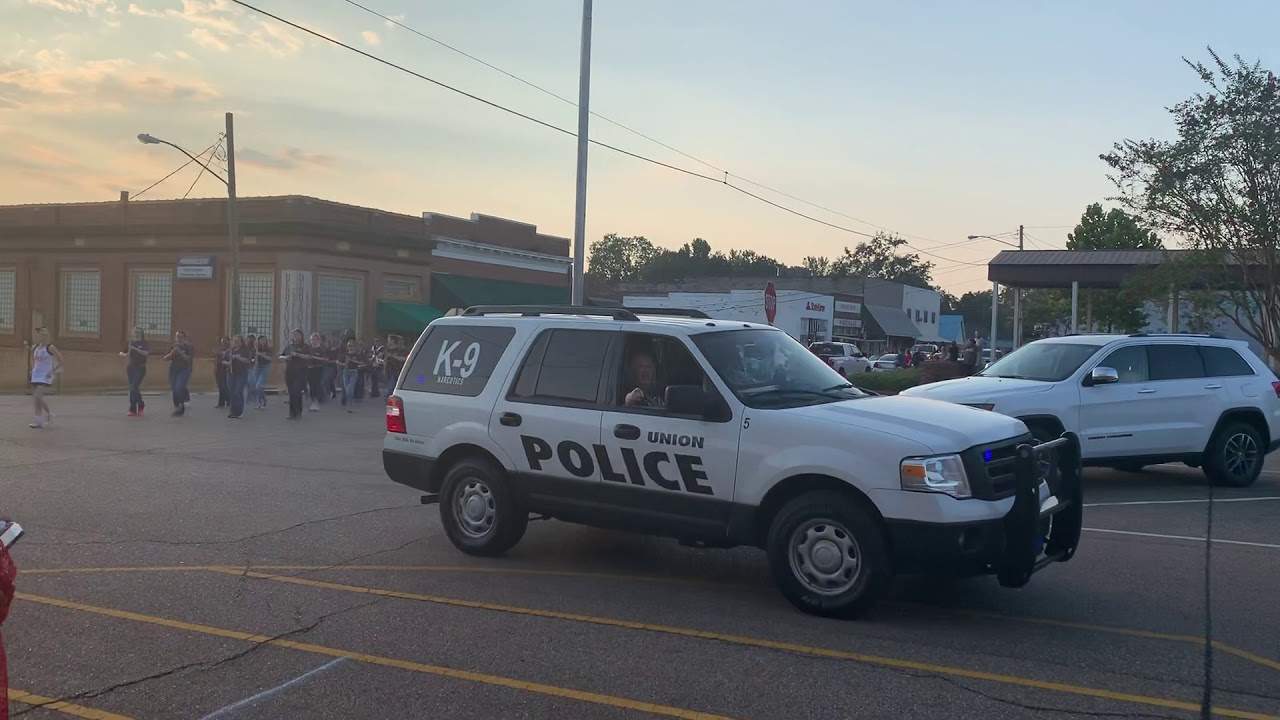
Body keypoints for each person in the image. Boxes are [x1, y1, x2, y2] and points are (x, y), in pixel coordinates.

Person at [28, 327, 63, 429]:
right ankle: (38, 420)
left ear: (48, 336)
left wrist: (52, 371)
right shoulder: (35, 347)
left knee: (37, 396)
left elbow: (60, 360)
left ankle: (50, 413)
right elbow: (34, 360)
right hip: (35, 375)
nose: (43, 336)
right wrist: (32, 369)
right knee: (36, 399)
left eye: (45, 334)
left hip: (45, 375)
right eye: (41, 334)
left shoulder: (50, 347)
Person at [280, 329, 311, 420]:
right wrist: (286, 357)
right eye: (294, 335)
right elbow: (280, 356)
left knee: (297, 392)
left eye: (297, 335)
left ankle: (298, 411)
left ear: (301, 336)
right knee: (291, 393)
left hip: (301, 372)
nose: (296, 336)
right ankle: (292, 413)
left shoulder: (305, 346)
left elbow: (309, 356)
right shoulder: (289, 346)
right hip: (290, 372)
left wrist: (297, 354)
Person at [119, 327, 149, 417]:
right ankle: (133, 408)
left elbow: (146, 353)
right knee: (132, 388)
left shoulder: (144, 343)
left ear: (141, 333)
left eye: (138, 332)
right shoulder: (132, 343)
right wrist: (123, 354)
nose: (136, 333)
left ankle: (139, 405)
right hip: (131, 368)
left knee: (134, 387)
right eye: (134, 332)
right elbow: (129, 354)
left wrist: (135, 348)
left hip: (140, 368)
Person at [165, 330, 195, 416]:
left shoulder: (189, 347)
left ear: (184, 338)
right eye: (177, 337)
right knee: (174, 387)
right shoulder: (174, 346)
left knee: (179, 386)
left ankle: (181, 405)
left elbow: (188, 359)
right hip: (174, 369)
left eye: (181, 337)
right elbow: (166, 358)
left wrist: (180, 352)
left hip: (184, 369)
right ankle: (177, 406)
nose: (179, 339)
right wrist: (172, 353)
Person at [226, 335, 252, 419]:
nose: (235, 343)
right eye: (235, 341)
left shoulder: (245, 350)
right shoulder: (232, 350)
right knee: (232, 392)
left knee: (238, 391)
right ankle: (233, 411)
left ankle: (239, 411)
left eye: (237, 341)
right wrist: (228, 362)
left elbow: (248, 361)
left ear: (241, 342)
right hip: (232, 373)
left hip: (242, 373)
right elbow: (227, 360)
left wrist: (238, 357)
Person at [339, 338, 365, 412]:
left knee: (350, 389)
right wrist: (344, 363)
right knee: (347, 389)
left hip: (354, 372)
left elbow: (361, 362)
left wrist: (352, 360)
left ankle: (349, 405)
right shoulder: (345, 354)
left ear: (354, 346)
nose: (349, 347)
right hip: (346, 372)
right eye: (348, 345)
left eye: (351, 345)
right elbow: (339, 362)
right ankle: (348, 404)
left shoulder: (357, 355)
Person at [248, 335, 272, 410]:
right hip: (256, 367)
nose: (262, 341)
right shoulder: (255, 349)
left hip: (265, 367)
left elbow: (270, 358)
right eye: (261, 340)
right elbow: (251, 359)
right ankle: (259, 401)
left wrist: (261, 354)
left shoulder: (268, 349)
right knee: (253, 385)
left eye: (264, 340)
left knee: (259, 385)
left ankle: (262, 400)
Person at [307, 332, 328, 412]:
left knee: (317, 385)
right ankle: (313, 400)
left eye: (315, 339)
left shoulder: (321, 349)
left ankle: (316, 401)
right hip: (310, 369)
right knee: (311, 385)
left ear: (318, 340)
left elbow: (325, 359)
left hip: (319, 369)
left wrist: (315, 357)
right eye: (312, 339)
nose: (313, 341)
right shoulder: (308, 349)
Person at [213, 336, 231, 409]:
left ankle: (229, 401)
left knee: (224, 386)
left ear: (229, 342)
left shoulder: (230, 350)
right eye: (222, 341)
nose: (223, 343)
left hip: (226, 369)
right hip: (219, 369)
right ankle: (221, 403)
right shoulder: (220, 350)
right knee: (220, 386)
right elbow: (216, 358)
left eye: (225, 341)